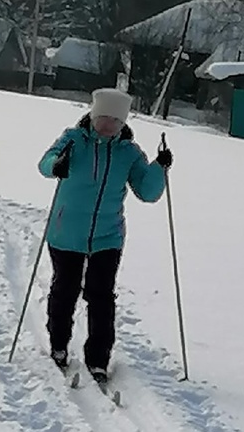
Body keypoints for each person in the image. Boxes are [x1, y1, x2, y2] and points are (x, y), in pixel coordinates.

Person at [37, 87, 173, 385]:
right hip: (66, 231)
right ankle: (59, 345)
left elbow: (147, 193)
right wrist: (55, 165)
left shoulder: (129, 152)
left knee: (101, 298)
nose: (108, 125)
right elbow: (44, 163)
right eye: (103, 118)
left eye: (115, 120)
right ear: (93, 115)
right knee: (65, 290)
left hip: (107, 236)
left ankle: (98, 360)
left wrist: (159, 168)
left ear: (123, 122)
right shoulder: (73, 139)